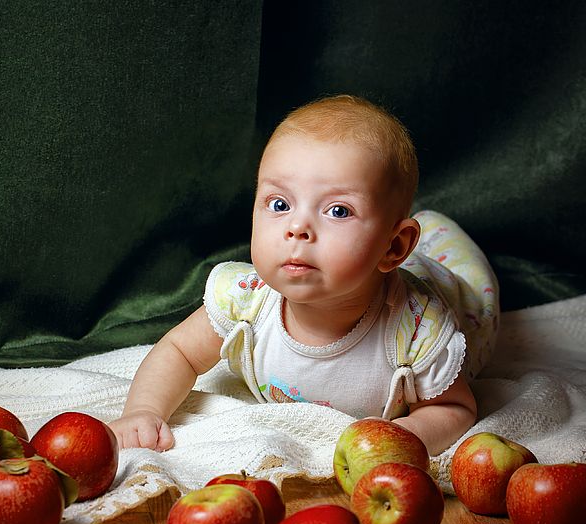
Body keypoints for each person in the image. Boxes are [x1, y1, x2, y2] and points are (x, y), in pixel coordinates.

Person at [110, 95, 498, 456]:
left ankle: (434, 228)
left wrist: (402, 440)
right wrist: (144, 410)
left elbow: (454, 408)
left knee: (471, 288)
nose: (297, 228)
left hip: (456, 297)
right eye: (279, 204)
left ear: (394, 247)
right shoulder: (246, 299)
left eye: (338, 211)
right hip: (380, 266)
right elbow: (178, 352)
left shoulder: (418, 329)